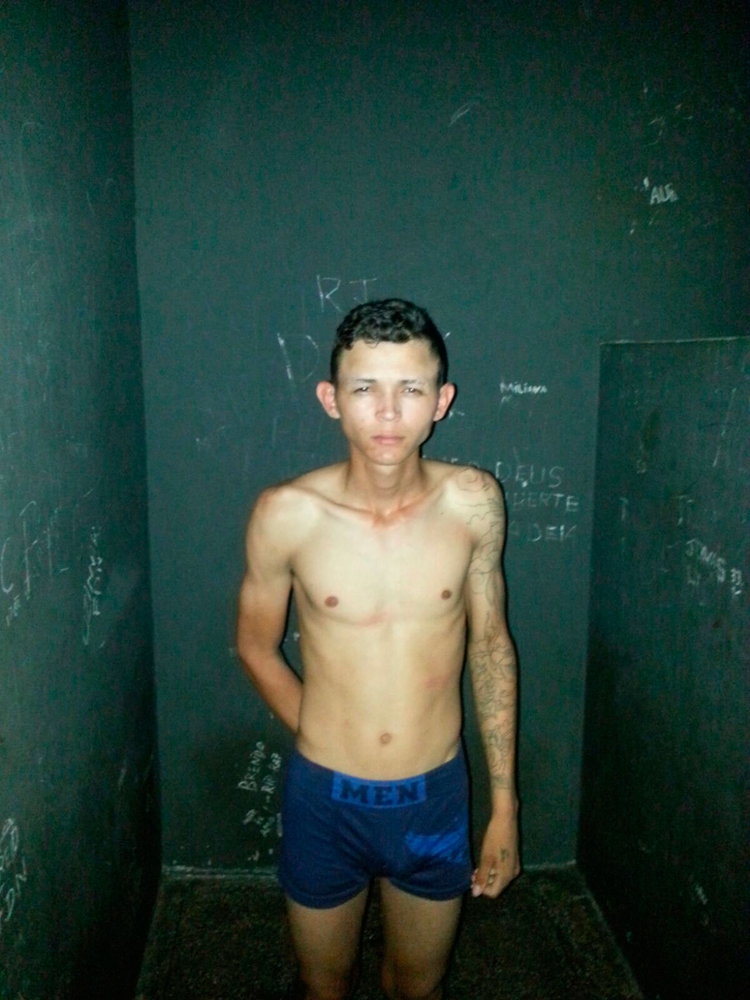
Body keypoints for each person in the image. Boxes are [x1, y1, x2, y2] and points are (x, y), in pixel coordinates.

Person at [236, 299, 519, 1000]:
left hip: (434, 797)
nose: (388, 412)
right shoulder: (286, 514)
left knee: (417, 989)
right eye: (365, 388)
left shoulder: (473, 501)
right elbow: (255, 647)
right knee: (323, 987)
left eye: (411, 388)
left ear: (441, 401)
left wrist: (504, 805)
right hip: (324, 800)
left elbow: (490, 646)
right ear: (330, 399)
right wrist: (324, 729)